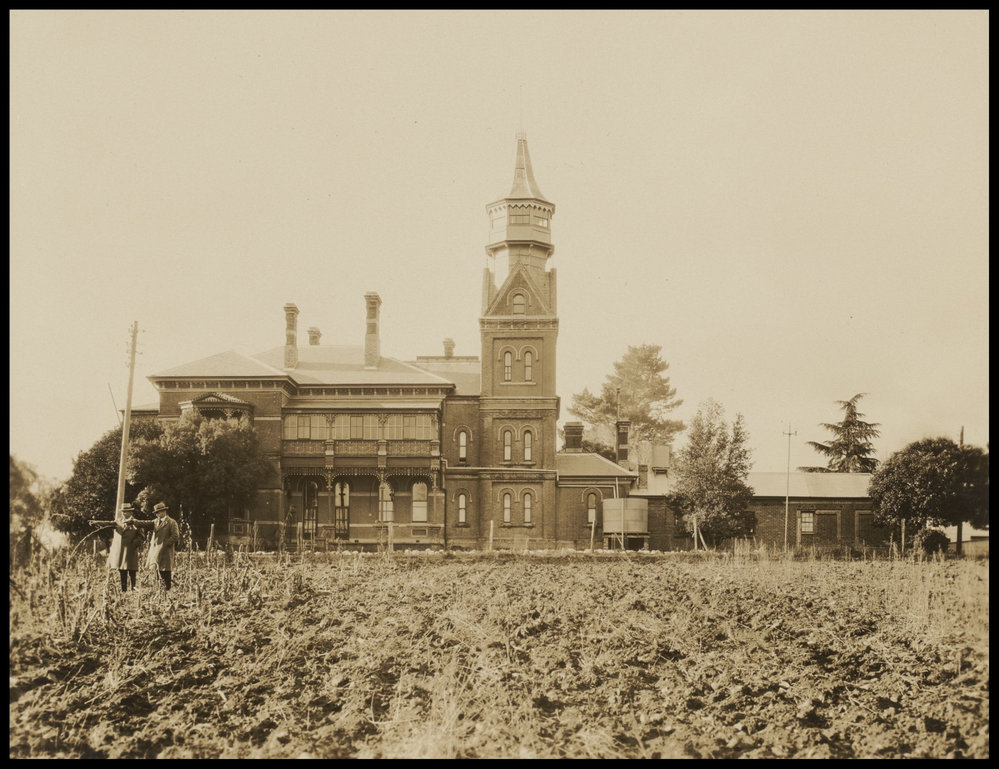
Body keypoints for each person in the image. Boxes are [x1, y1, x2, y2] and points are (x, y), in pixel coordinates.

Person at [135, 501, 180, 591]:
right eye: (156, 513)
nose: (157, 514)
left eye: (159, 512)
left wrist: (166, 544)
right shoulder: (155, 522)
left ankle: (167, 589)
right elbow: (144, 523)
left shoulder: (171, 522)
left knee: (166, 569)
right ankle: (159, 589)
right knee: (157, 568)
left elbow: (175, 536)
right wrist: (134, 522)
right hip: (156, 550)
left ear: (164, 511)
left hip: (166, 550)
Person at [107, 503, 143, 592]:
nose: (124, 513)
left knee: (132, 570)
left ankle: (133, 589)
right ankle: (124, 590)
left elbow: (141, 536)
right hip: (121, 550)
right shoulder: (118, 521)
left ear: (131, 512)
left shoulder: (136, 522)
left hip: (131, 550)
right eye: (123, 512)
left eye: (126, 511)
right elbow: (108, 525)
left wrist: (134, 544)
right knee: (122, 570)